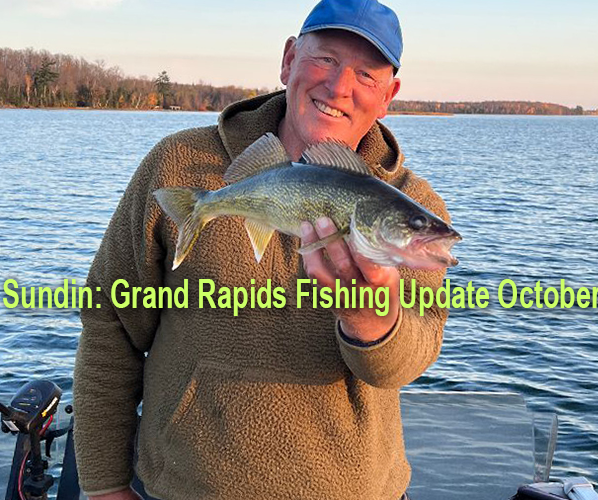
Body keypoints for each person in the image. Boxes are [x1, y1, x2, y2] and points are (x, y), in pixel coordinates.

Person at [73, 1, 453, 499]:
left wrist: (370, 318)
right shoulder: (178, 164)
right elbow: (111, 322)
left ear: (389, 96)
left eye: (366, 73)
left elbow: (408, 361)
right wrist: (103, 484)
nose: (339, 87)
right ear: (289, 58)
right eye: (325, 60)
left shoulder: (414, 206)